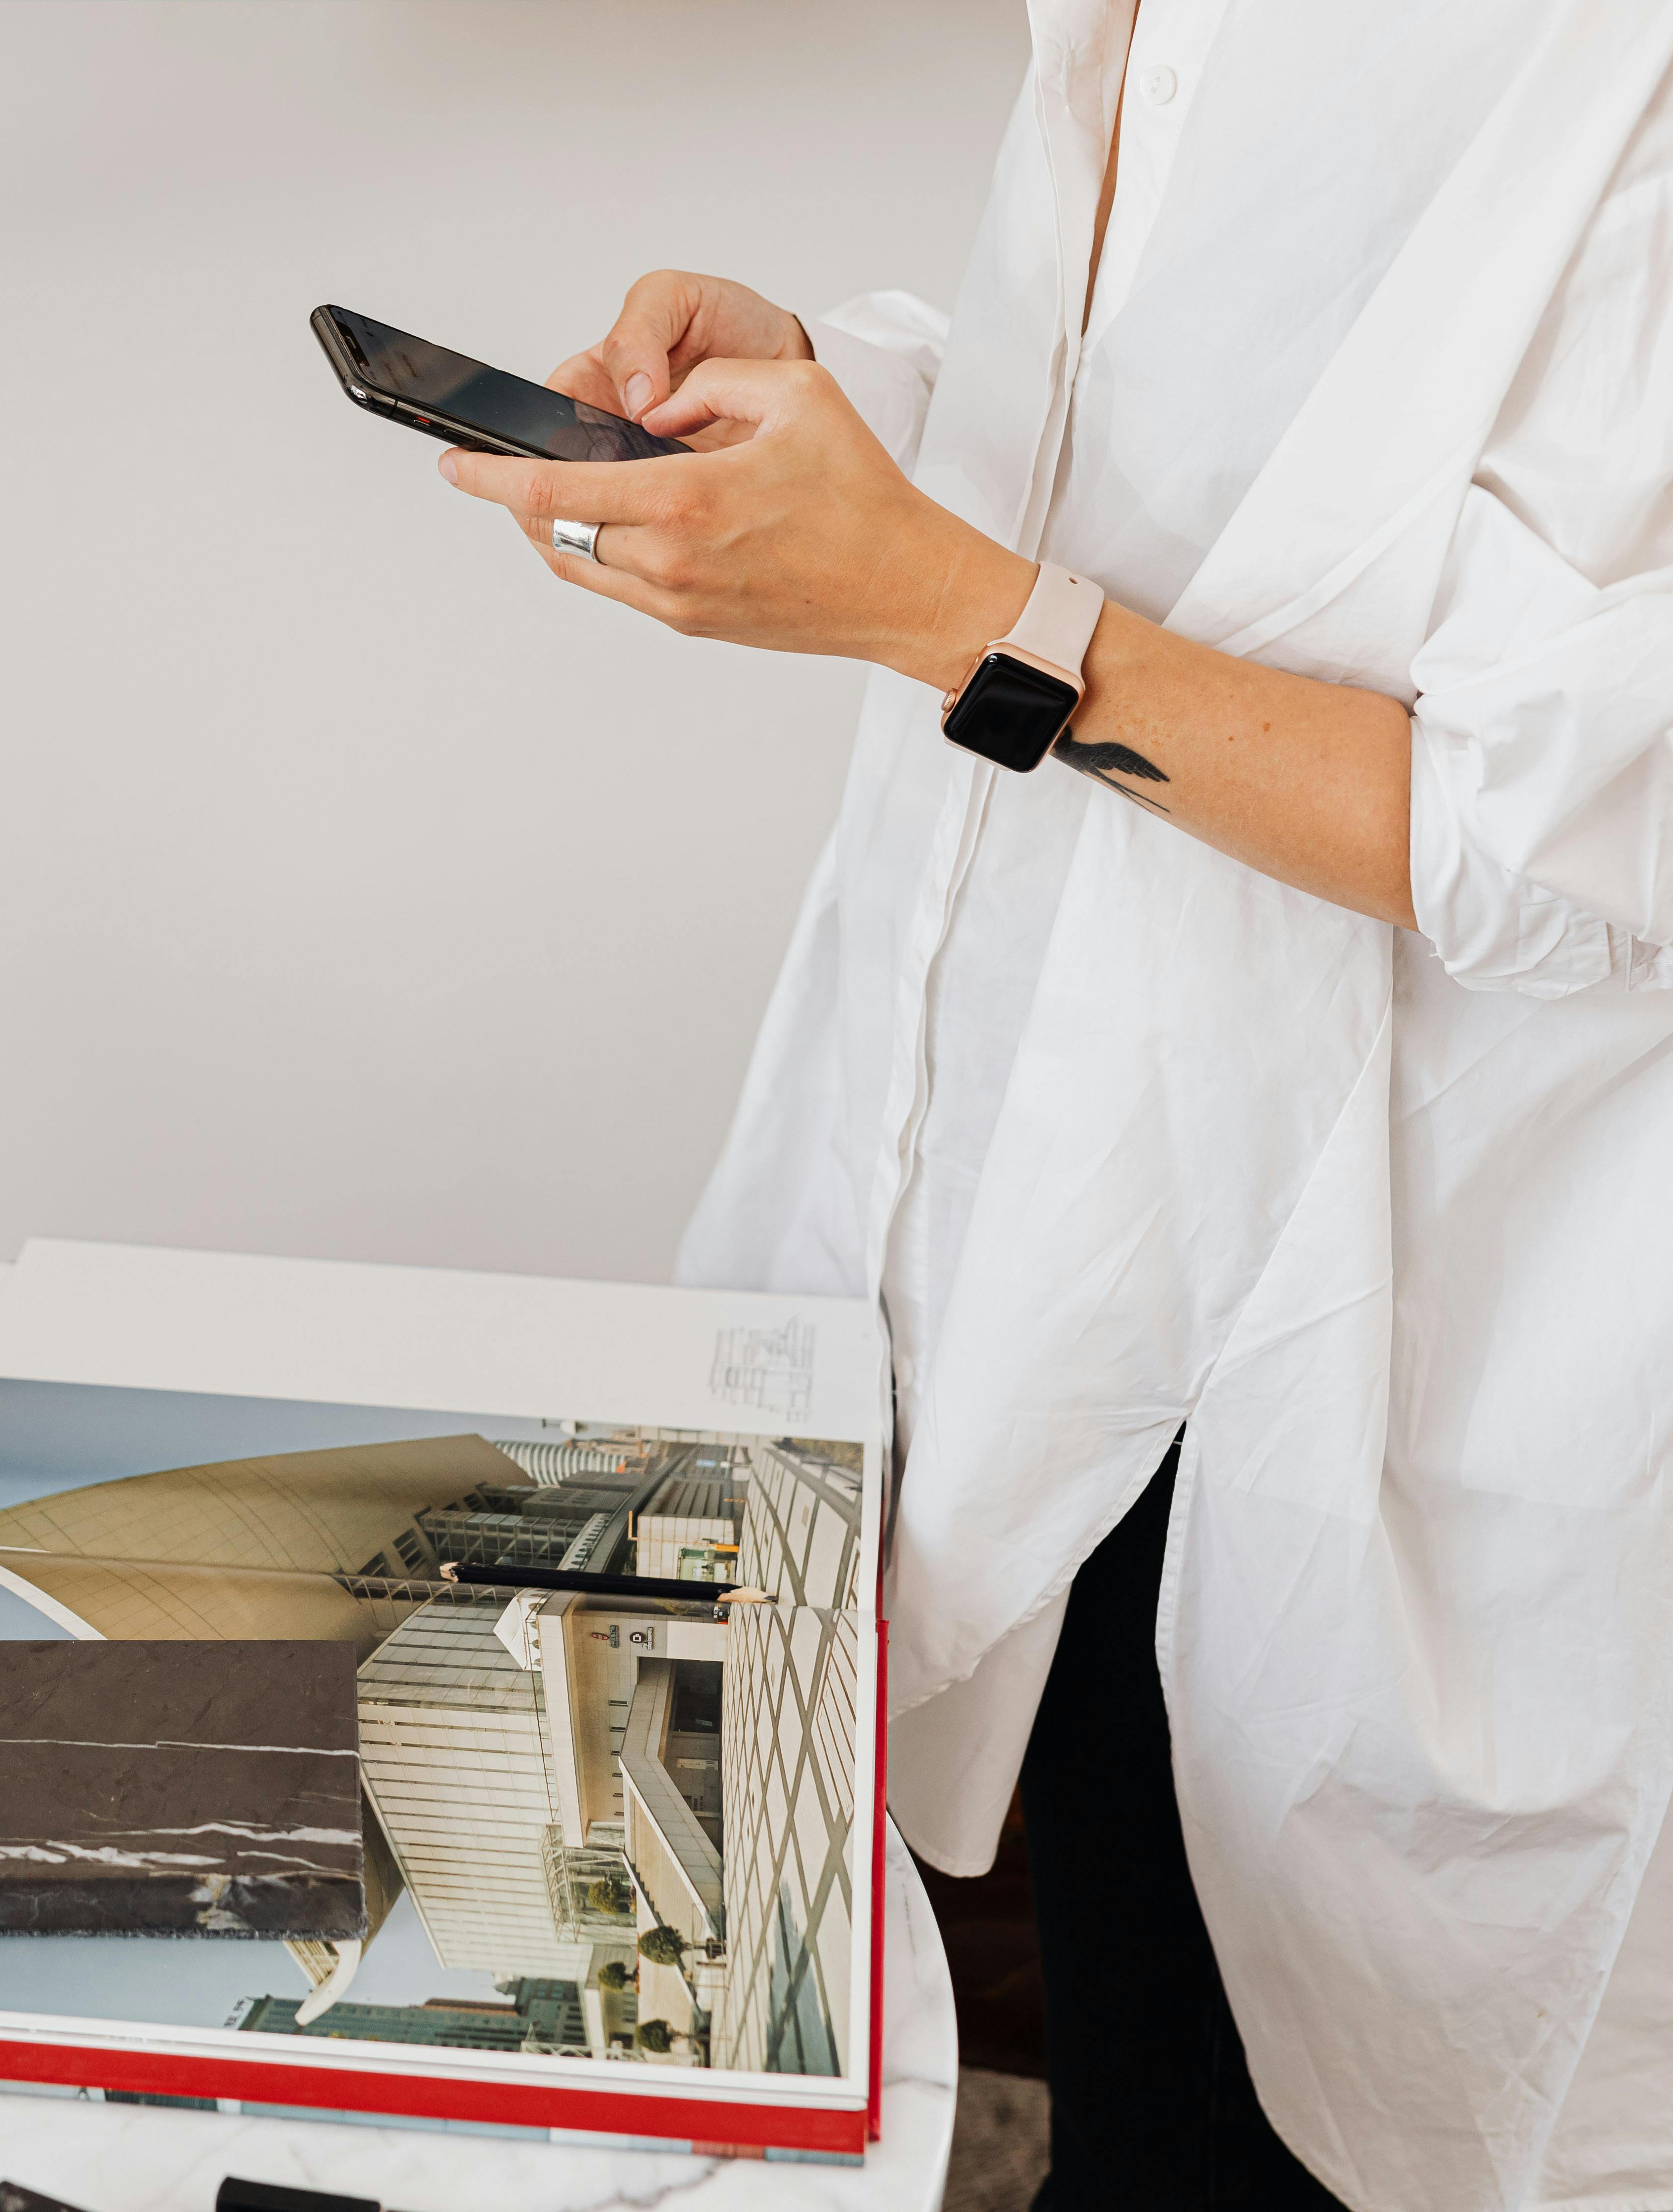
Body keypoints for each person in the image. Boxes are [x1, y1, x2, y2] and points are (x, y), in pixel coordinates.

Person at [426, 6, 1673, 2210]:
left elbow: (1560, 822)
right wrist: (856, 419)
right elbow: (1237, 457)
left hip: (1420, 1355)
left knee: (1327, 2106)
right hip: (1084, 1246)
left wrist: (934, 602)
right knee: (1130, 1998)